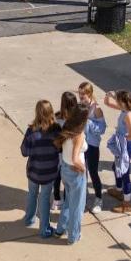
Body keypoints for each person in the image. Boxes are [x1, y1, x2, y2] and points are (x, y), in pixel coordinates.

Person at [21, 100, 62, 238]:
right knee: (44, 199)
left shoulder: (31, 131)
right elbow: (60, 148)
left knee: (32, 194)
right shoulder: (56, 130)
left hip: (34, 170)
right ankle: (44, 228)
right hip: (50, 172)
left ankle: (29, 219)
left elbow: (24, 151)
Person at [53, 104, 89, 244]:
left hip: (65, 170)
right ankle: (73, 236)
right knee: (77, 206)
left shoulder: (67, 126)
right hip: (75, 172)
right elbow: (75, 159)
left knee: (68, 201)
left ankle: (60, 229)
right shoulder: (79, 135)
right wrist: (83, 169)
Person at [104, 89, 131, 212]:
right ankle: (119, 191)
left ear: (123, 102)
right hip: (122, 145)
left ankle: (127, 203)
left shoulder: (128, 115)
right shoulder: (124, 109)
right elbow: (107, 103)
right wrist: (109, 95)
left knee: (124, 173)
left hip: (126, 146)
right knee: (116, 167)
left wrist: (121, 139)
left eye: (118, 100)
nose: (116, 101)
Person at [78, 82, 107, 214]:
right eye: (79, 94)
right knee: (82, 172)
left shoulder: (96, 109)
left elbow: (102, 129)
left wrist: (89, 124)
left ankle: (99, 198)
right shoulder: (80, 106)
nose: (80, 97)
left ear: (89, 94)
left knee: (93, 172)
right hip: (80, 144)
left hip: (92, 145)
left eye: (83, 94)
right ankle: (82, 198)